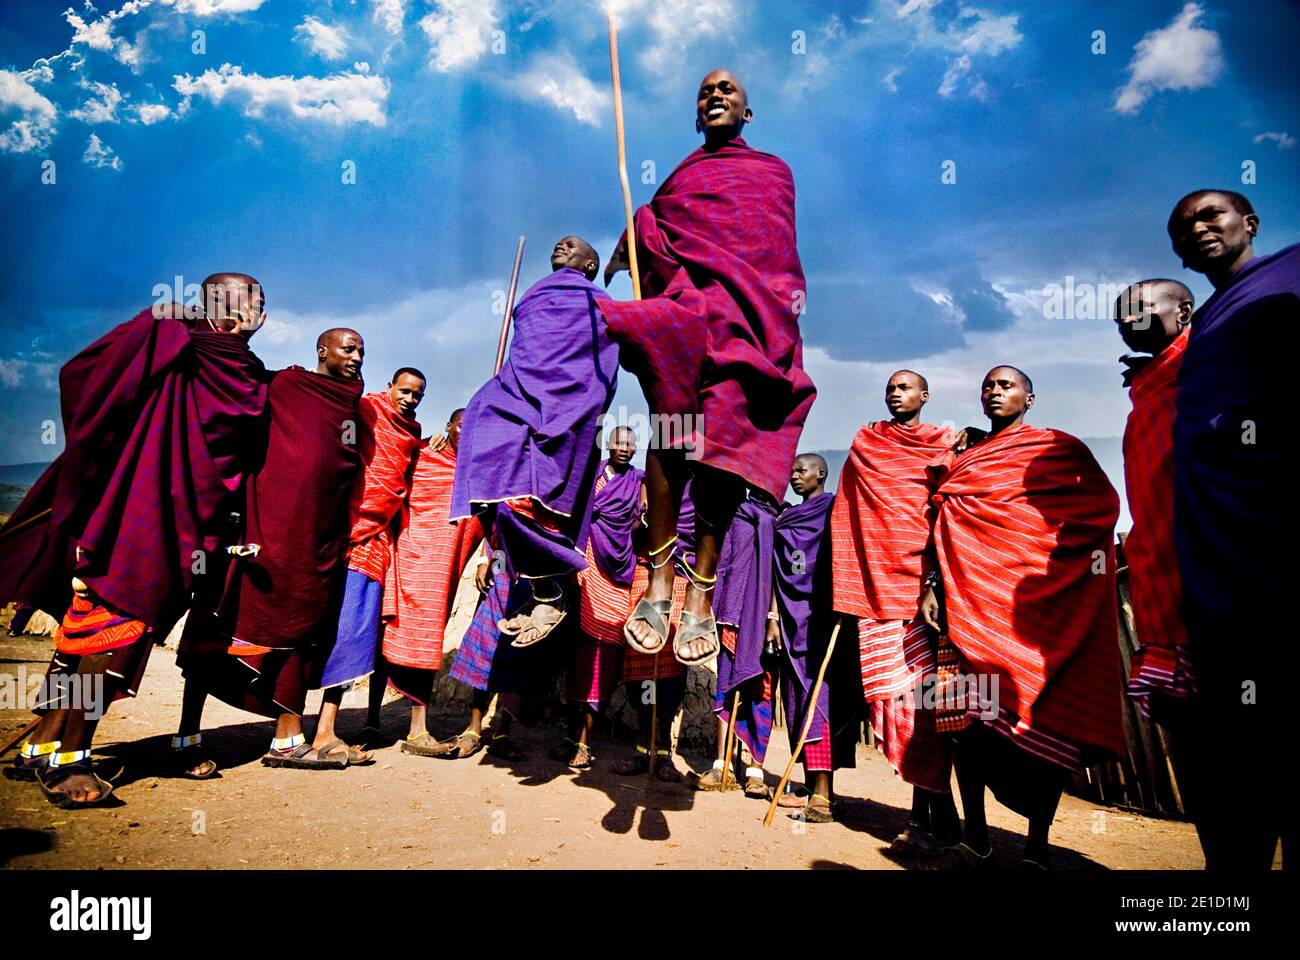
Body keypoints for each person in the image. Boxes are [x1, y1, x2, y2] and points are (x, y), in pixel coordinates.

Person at [1, 274, 269, 805]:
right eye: (257, 300)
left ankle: (46, 743)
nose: (265, 310)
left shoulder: (245, 371)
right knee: (113, 631)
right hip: (139, 513)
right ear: (231, 309)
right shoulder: (174, 345)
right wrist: (153, 322)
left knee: (93, 631)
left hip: (191, 519)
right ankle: (70, 762)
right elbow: (84, 376)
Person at [604, 69, 816, 668]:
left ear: (748, 112)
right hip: (689, 314)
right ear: (697, 116)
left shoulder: (773, 172)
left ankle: (702, 579)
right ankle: (660, 571)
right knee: (669, 429)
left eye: (728, 90)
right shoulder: (682, 178)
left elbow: (773, 250)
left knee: (722, 444)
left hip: (749, 320)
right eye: (705, 92)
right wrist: (638, 226)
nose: (716, 95)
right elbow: (660, 233)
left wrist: (773, 309)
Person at [920, 366, 1122, 868]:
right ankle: (977, 836)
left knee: (1043, 720)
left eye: (1006, 385)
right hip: (965, 606)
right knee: (961, 721)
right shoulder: (964, 458)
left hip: (1034, 611)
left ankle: (1036, 846)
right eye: (987, 384)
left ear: (1030, 398)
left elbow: (1100, 508)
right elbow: (940, 524)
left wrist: (1060, 577)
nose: (994, 391)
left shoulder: (1058, 450)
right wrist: (933, 585)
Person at [441, 236, 618, 759]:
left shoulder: (599, 302)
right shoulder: (535, 295)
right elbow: (528, 348)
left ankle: (549, 592)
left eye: (578, 247)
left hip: (568, 396)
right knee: (481, 410)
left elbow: (603, 358)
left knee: (547, 485)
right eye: (561, 243)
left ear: (590, 266)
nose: (564, 244)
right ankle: (478, 723)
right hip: (520, 388)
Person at [1165, 189, 1296, 869]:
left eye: (1212, 215)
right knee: (1237, 776)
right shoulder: (1207, 328)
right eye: (1185, 228)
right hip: (1222, 579)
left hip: (1283, 549)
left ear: (1251, 222)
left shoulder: (1288, 279)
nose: (1200, 228)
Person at [172, 328, 365, 773]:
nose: (357, 356)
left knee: (302, 632)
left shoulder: (354, 405)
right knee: (216, 631)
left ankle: (286, 739)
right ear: (322, 350)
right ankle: (186, 737)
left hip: (316, 543)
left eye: (362, 350)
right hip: (260, 533)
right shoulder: (286, 386)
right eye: (348, 348)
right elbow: (235, 392)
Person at [831, 371, 962, 852]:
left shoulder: (944, 445)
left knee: (927, 705)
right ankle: (933, 809)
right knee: (895, 702)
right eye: (890, 386)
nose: (895, 392)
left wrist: (939, 580)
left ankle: (929, 812)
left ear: (925, 396)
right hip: (876, 591)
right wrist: (850, 575)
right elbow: (846, 511)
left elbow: (950, 510)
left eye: (906, 387)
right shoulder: (866, 443)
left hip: (927, 594)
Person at [308, 365, 426, 766]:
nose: (409, 399)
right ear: (390, 386)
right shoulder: (365, 411)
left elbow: (404, 480)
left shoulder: (410, 434)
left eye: (417, 396)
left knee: (353, 633)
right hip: (339, 531)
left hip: (373, 544)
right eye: (405, 390)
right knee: (312, 630)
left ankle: (326, 727)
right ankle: (289, 731)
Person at [366, 408, 483, 756]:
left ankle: (418, 729)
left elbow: (488, 512)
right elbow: (392, 474)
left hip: (439, 569)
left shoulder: (475, 472)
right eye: (462, 425)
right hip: (405, 557)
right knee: (383, 636)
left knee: (428, 642)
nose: (467, 432)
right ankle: (372, 717)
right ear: (448, 425)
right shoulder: (424, 455)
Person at [1112, 281, 1194, 717]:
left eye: (1140, 309)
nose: (1128, 320)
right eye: (1120, 316)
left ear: (1184, 312)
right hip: (1160, 586)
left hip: (1224, 581)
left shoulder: (1215, 373)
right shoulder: (1146, 398)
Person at [768, 454, 858, 823]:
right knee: (796, 702)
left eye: (801, 470)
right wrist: (774, 618)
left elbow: (847, 557)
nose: (794, 477)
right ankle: (810, 784)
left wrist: (845, 600)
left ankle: (822, 793)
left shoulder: (835, 511)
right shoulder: (785, 519)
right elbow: (776, 573)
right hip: (790, 620)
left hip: (823, 618)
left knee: (818, 698)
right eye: (791, 471)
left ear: (821, 474)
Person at [554, 426, 643, 769]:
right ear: (609, 445)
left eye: (630, 445)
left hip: (621, 576)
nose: (624, 449)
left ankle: (586, 741)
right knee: (577, 656)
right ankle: (567, 734)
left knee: (604, 655)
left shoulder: (638, 480)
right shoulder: (593, 475)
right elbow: (576, 517)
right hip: (588, 566)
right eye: (619, 443)